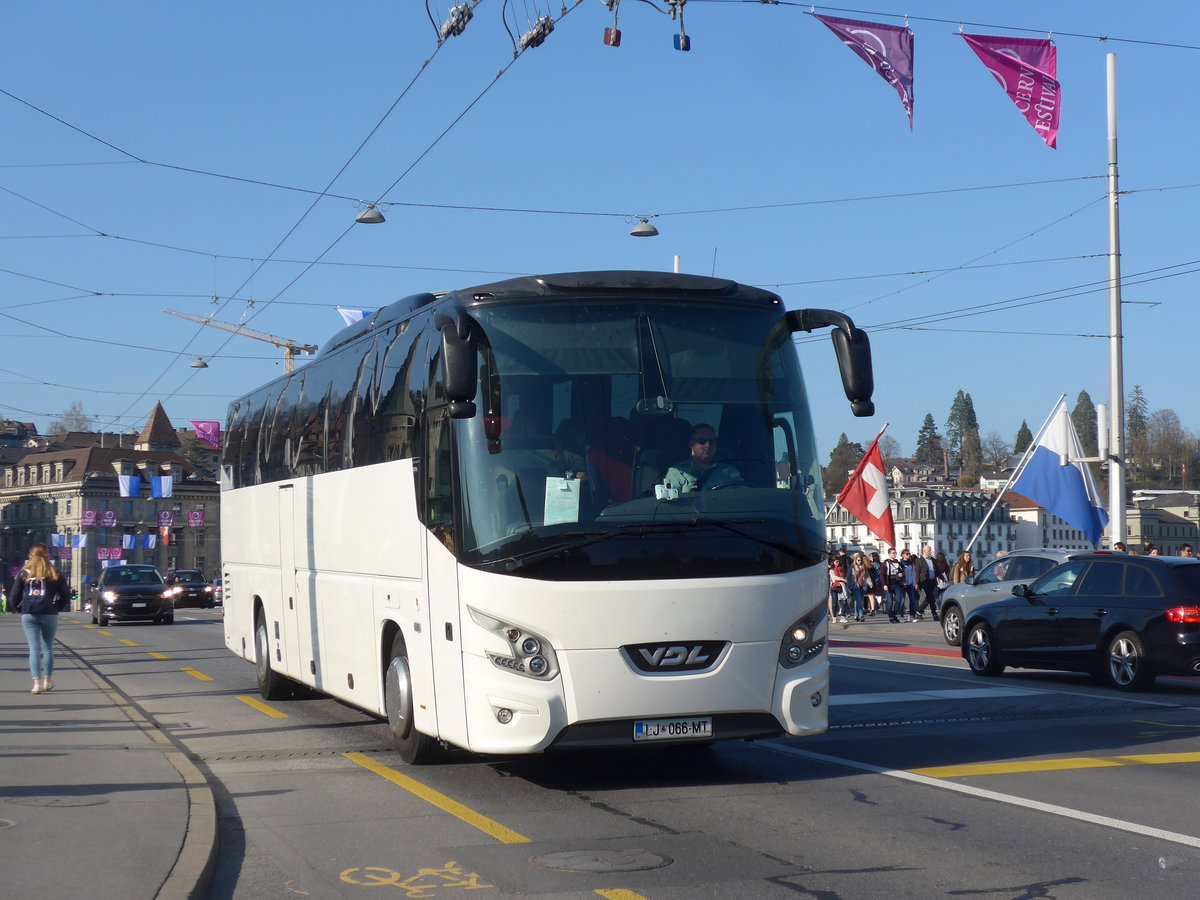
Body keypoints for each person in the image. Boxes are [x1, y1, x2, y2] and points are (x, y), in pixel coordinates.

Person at [12, 543, 71, 694]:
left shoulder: (23, 573)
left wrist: (20, 609)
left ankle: (36, 683)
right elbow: (65, 595)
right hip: (49, 613)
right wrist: (56, 607)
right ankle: (48, 681)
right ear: (47, 556)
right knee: (48, 647)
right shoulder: (54, 572)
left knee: (34, 648)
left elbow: (14, 597)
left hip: (29, 614)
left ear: (30, 556)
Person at [661, 424, 743, 494]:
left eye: (712, 442)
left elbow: (744, 499)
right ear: (691, 444)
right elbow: (672, 505)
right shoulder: (677, 472)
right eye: (702, 441)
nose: (708, 445)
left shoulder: (730, 472)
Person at [915, 545, 939, 622]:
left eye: (930, 550)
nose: (930, 552)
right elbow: (917, 573)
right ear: (924, 551)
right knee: (931, 597)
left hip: (932, 581)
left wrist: (942, 578)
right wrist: (917, 583)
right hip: (925, 581)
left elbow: (937, 570)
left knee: (929, 598)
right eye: (929, 550)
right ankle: (934, 614)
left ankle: (919, 611)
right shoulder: (919, 560)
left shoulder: (933, 560)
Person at [883, 548, 905, 623]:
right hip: (889, 584)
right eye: (893, 553)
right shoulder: (885, 563)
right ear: (889, 554)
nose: (895, 554)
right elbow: (882, 575)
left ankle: (894, 614)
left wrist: (901, 574)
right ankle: (891, 617)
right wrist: (884, 584)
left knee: (899, 600)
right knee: (890, 602)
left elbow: (903, 571)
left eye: (895, 553)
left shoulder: (898, 563)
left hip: (897, 583)